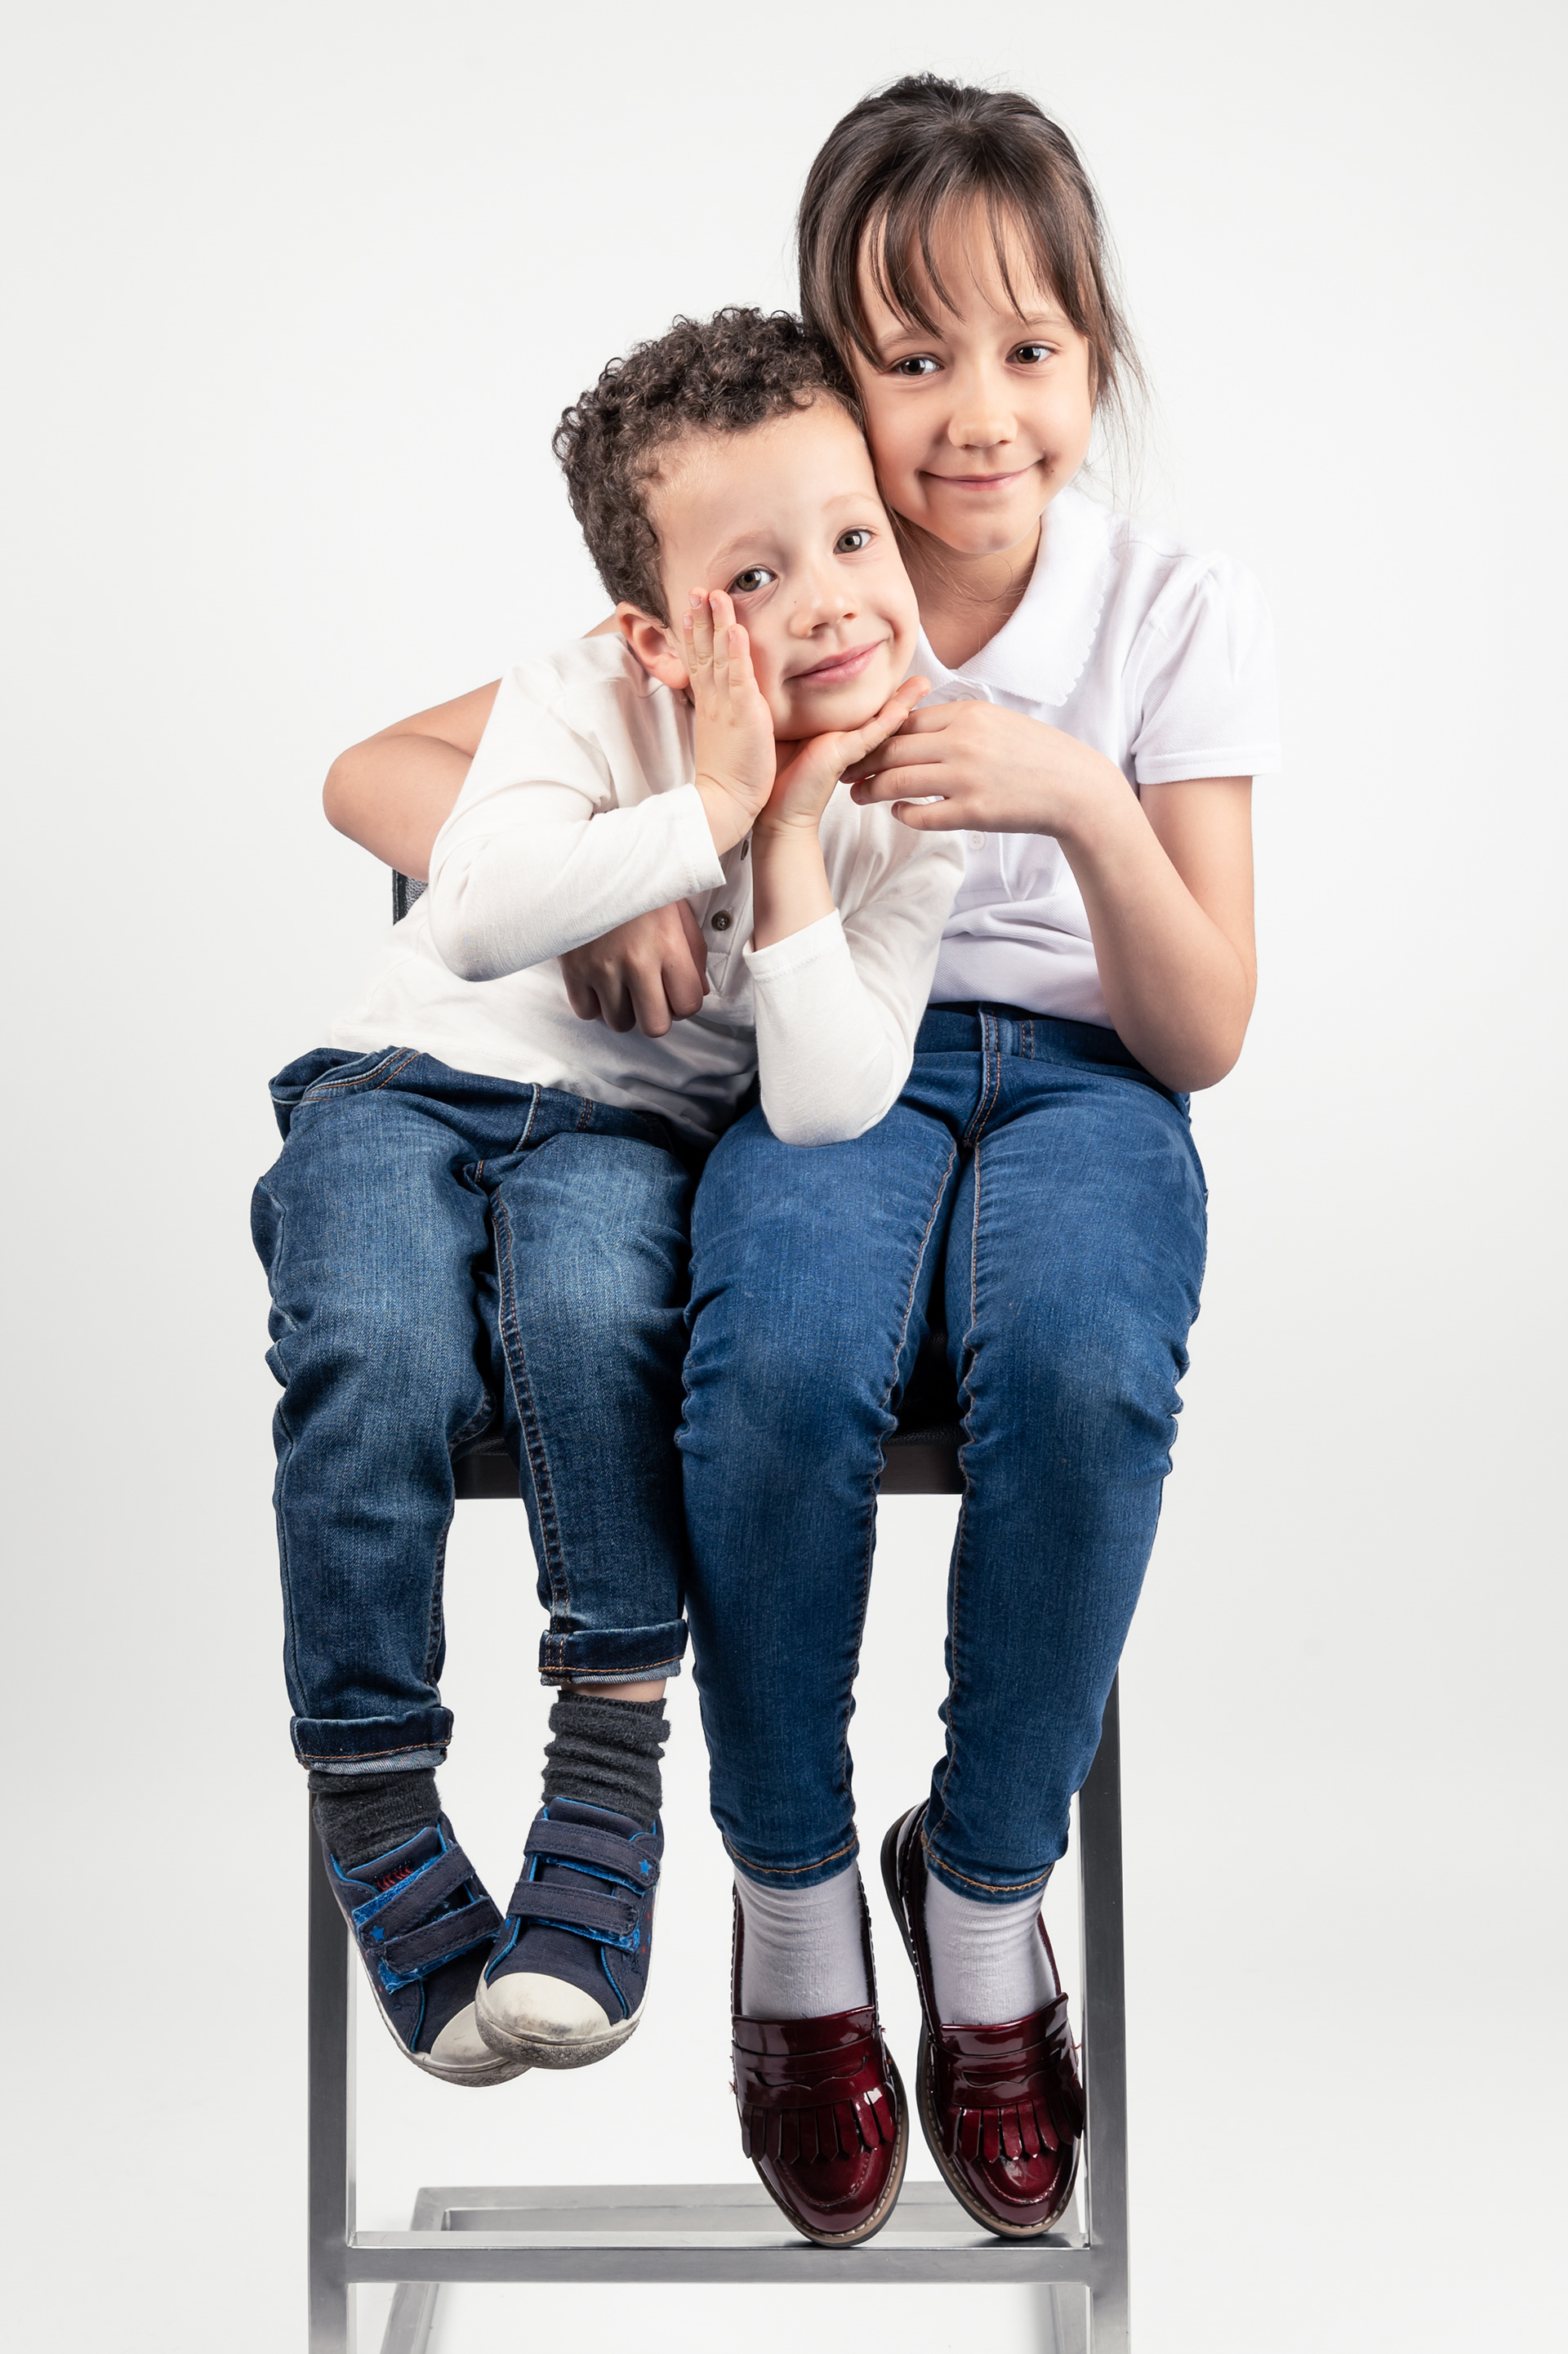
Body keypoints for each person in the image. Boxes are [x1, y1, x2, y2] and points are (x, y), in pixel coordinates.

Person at [325, 77, 1280, 2248]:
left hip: (1084, 1079)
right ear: (832, 369)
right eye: (913, 355)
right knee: (771, 1362)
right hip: (817, 1061)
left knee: (1086, 1365)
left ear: (1093, 363)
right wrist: (595, 876)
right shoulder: (768, 587)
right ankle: (788, 1898)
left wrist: (1080, 801)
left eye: (1027, 350)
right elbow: (377, 770)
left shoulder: (1164, 609)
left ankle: (987, 1883)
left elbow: (1207, 1023)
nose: (972, 412)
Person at [252, 307, 961, 2095]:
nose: (827, 599)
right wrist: (691, 812)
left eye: (854, 538)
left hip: (621, 1151)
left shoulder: (910, 807)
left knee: (597, 1326)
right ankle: (379, 1800)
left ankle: (602, 1800)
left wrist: (785, 836)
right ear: (652, 628)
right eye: (753, 575)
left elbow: (819, 1095)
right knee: (373, 1347)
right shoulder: (589, 697)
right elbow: (472, 909)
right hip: (400, 1085)